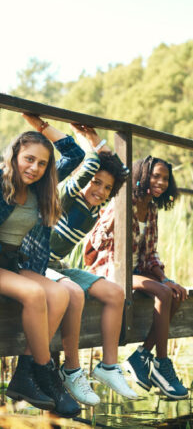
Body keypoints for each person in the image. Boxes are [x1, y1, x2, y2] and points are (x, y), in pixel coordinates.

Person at [0, 104, 85, 418]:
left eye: (42, 164)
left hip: (14, 265)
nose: (34, 168)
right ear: (15, 155)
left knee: (58, 293)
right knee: (34, 294)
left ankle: (25, 374)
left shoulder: (39, 191)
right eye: (29, 159)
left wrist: (41, 126)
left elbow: (74, 154)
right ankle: (45, 374)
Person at [45, 124, 137, 405]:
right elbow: (92, 167)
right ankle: (70, 369)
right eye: (96, 182)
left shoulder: (96, 207)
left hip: (56, 267)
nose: (100, 190)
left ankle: (108, 366)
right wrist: (89, 141)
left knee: (115, 293)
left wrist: (96, 138)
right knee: (72, 292)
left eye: (106, 187)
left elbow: (122, 173)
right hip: (34, 264)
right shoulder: (67, 195)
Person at [85, 155, 189, 400]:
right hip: (109, 270)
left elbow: (150, 254)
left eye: (165, 178)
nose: (161, 182)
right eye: (156, 176)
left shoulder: (151, 209)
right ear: (143, 175)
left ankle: (142, 354)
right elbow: (96, 244)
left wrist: (164, 278)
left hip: (135, 273)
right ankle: (161, 364)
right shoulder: (123, 201)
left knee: (172, 292)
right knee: (163, 292)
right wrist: (109, 222)